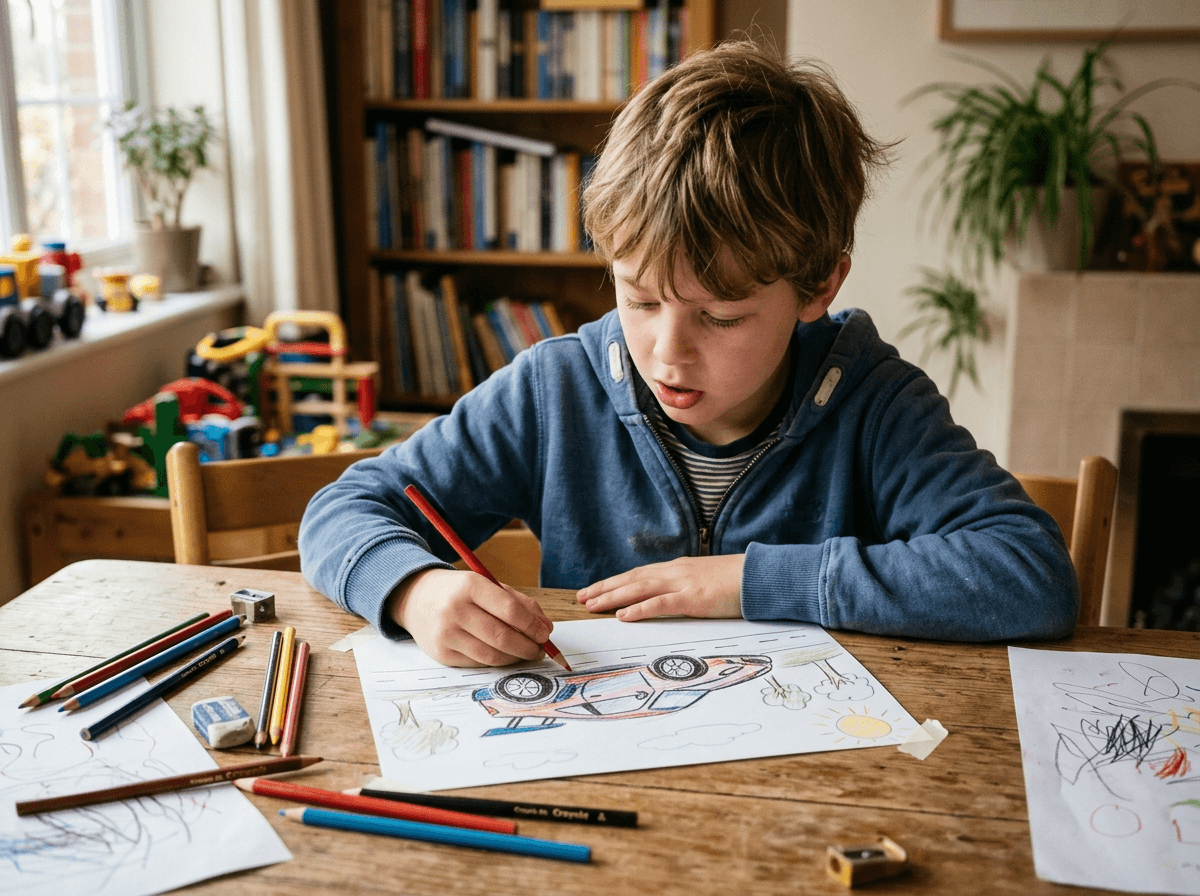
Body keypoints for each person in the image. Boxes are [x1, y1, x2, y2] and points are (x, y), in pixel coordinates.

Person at [299, 40, 1078, 668]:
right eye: (638, 300)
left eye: (722, 317)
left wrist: (752, 581)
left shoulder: (874, 403)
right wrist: (412, 589)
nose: (667, 353)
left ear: (818, 287)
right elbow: (343, 509)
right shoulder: (556, 391)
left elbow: (1029, 575)